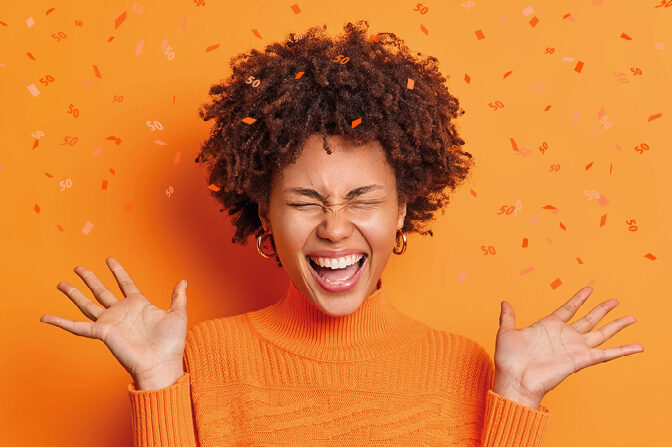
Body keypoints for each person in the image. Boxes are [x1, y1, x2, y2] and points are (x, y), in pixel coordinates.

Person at [39, 20, 644, 447]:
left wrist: (516, 398)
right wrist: (158, 384)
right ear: (264, 216)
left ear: (404, 209)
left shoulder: (465, 367)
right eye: (304, 201)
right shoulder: (196, 362)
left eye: (363, 199)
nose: (334, 227)